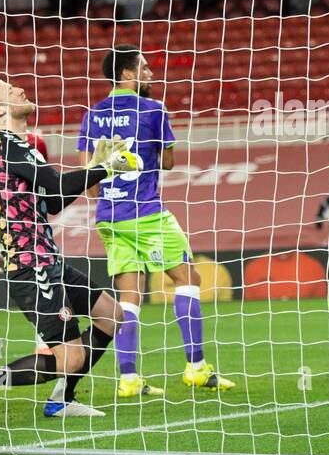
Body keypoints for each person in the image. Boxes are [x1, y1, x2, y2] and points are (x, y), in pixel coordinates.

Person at [0, 77, 139, 422]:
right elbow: (54, 184)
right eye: (10, 91)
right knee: (69, 359)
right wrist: (104, 167)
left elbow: (53, 201)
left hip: (49, 261)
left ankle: (61, 400)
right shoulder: (7, 146)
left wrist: (91, 171)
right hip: (31, 267)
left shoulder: (24, 147)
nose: (20, 90)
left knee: (111, 316)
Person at [78, 46, 234, 397]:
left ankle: (129, 379)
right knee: (188, 277)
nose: (151, 74)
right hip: (146, 212)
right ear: (128, 75)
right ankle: (196, 368)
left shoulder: (93, 115)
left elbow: (88, 178)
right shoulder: (153, 109)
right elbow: (168, 162)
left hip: (108, 214)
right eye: (145, 69)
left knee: (129, 296)